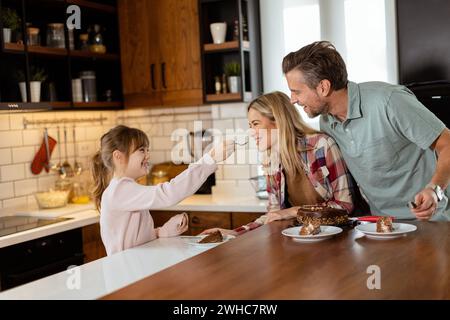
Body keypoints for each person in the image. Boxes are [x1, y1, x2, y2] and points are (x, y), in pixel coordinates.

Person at [282, 40, 450, 221]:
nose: (292, 100)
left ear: (323, 87)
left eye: (296, 91)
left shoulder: (389, 101)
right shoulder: (327, 122)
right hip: (383, 225)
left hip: (433, 220)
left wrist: (435, 190)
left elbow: (447, 144)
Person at [202, 91, 359, 237]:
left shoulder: (321, 145)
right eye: (250, 125)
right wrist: (235, 233)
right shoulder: (270, 159)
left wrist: (293, 211)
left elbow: (345, 205)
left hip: (340, 237)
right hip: (302, 238)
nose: (251, 132)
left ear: (278, 121)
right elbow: (275, 214)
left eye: (256, 123)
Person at [92, 125, 235, 255]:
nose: (148, 155)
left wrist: (163, 231)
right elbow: (168, 193)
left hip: (134, 268)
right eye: (142, 150)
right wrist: (210, 159)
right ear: (118, 157)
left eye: (148, 150)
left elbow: (136, 239)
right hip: (126, 273)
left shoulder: (125, 188)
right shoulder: (120, 190)